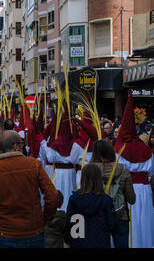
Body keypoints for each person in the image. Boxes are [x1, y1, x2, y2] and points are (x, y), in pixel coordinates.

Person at [0, 130, 57, 248]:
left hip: (5, 231)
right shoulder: (34, 165)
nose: (23, 146)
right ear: (15, 146)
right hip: (33, 230)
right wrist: (46, 219)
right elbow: (52, 196)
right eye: (21, 143)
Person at [114, 93, 153, 248]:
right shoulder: (146, 149)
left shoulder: (119, 149)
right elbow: (151, 171)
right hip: (145, 190)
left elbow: (117, 172)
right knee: (145, 220)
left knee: (132, 222)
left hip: (127, 190)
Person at [89, 139, 136, 248]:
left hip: (96, 216)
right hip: (120, 215)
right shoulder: (123, 170)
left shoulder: (88, 170)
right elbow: (132, 199)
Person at [64, 163, 118, 248]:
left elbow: (68, 225)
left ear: (83, 179)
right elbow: (112, 224)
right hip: (101, 243)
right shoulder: (106, 200)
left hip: (78, 243)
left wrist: (67, 241)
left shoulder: (74, 199)